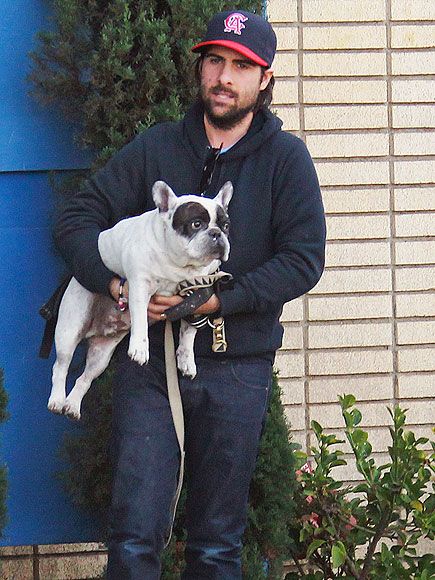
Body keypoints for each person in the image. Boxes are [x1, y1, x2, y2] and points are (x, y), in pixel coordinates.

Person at [54, 9, 326, 579]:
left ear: (264, 78)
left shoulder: (286, 160)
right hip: (148, 364)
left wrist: (216, 302)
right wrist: (114, 284)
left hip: (238, 363)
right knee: (132, 539)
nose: (224, 77)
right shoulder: (155, 149)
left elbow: (302, 261)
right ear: (201, 69)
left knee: (217, 544)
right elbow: (78, 218)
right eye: (215, 62)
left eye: (241, 66)